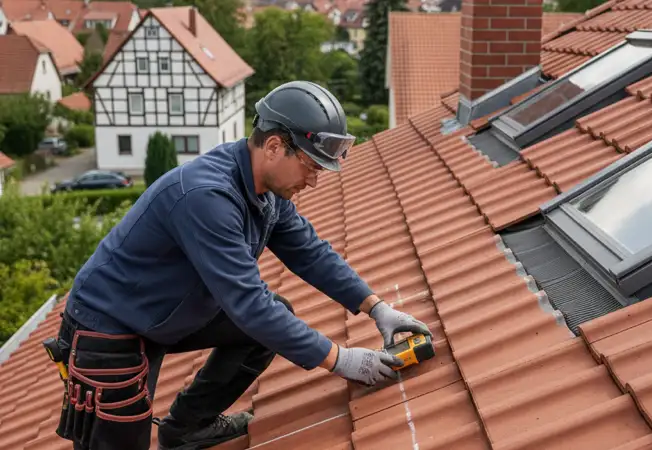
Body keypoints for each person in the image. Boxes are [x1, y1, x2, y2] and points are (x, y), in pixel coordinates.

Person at [52, 81, 433, 450]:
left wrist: (375, 306)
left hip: (164, 312)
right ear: (273, 146)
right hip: (109, 328)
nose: (313, 181)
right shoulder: (207, 197)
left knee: (269, 324)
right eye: (310, 166)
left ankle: (187, 428)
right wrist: (342, 359)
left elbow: (309, 252)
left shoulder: (264, 190)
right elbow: (250, 305)